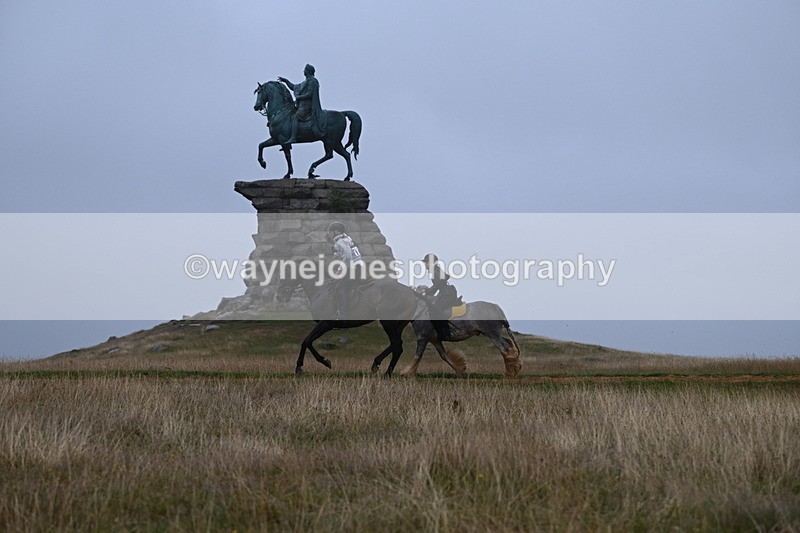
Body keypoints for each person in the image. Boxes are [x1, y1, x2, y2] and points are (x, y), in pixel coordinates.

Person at [277, 64, 327, 144]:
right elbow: (294, 87)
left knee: (295, 117)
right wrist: (286, 81)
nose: (303, 71)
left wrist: (299, 97)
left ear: (307, 71)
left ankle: (293, 137)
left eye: (304, 70)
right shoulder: (305, 82)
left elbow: (310, 94)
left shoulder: (312, 81)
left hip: (307, 107)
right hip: (301, 106)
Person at [327, 222, 363, 320]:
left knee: (340, 288)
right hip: (356, 267)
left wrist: (338, 272)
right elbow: (341, 254)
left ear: (336, 231)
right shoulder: (346, 239)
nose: (329, 233)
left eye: (330, 231)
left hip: (352, 269)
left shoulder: (340, 242)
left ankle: (344, 314)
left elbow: (347, 258)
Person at [422, 253, 462, 339]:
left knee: (435, 311)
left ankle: (446, 332)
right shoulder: (436, 270)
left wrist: (427, 292)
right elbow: (437, 286)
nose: (425, 265)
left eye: (426, 262)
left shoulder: (435, 271)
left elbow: (438, 284)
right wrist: (428, 293)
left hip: (447, 294)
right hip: (445, 293)